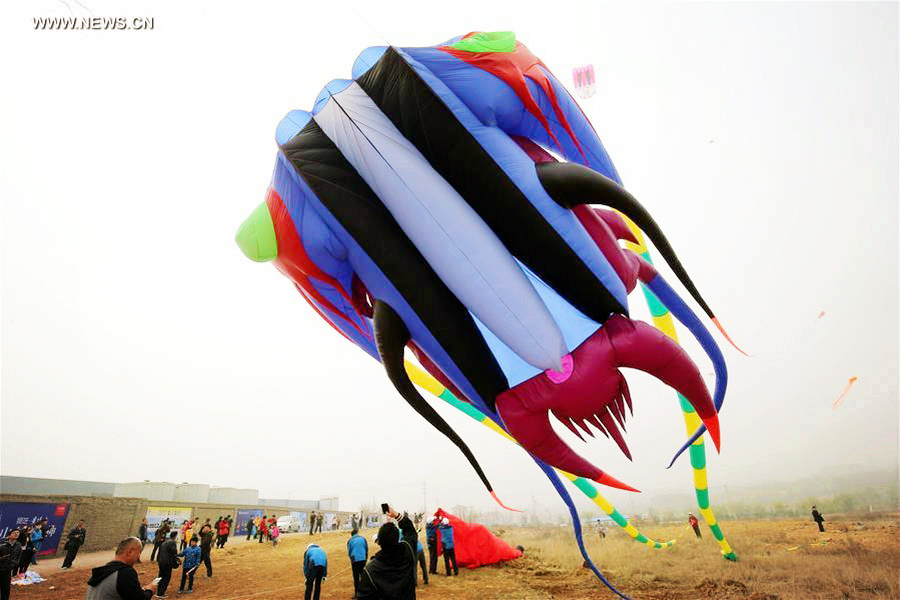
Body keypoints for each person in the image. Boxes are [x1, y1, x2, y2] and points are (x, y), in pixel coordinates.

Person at [356, 511, 417, 600]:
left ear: (379, 542)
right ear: (398, 538)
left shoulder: (370, 570)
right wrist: (397, 515)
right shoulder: (408, 551)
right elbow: (411, 531)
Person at [84, 537, 158, 600]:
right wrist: (150, 590)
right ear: (129, 552)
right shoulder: (125, 573)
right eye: (139, 553)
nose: (139, 557)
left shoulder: (104, 570)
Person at [156, 531, 180, 598]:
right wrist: (176, 561)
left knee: (161, 576)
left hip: (161, 562)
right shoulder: (172, 542)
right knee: (166, 577)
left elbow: (160, 552)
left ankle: (158, 592)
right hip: (167, 563)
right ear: (175, 536)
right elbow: (174, 552)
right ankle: (161, 594)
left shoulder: (164, 542)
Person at [0, 530, 23, 600]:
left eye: (18, 533)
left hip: (7, 570)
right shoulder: (2, 543)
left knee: (6, 589)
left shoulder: (18, 545)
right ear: (9, 535)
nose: (16, 534)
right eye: (14, 532)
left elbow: (18, 557)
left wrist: (13, 565)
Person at [347, 528, 368, 598]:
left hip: (355, 560)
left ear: (351, 535)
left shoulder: (350, 540)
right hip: (363, 559)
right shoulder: (363, 538)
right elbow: (366, 548)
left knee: (356, 577)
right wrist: (365, 558)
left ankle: (356, 593)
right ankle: (364, 593)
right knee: (363, 576)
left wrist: (352, 560)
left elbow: (349, 552)